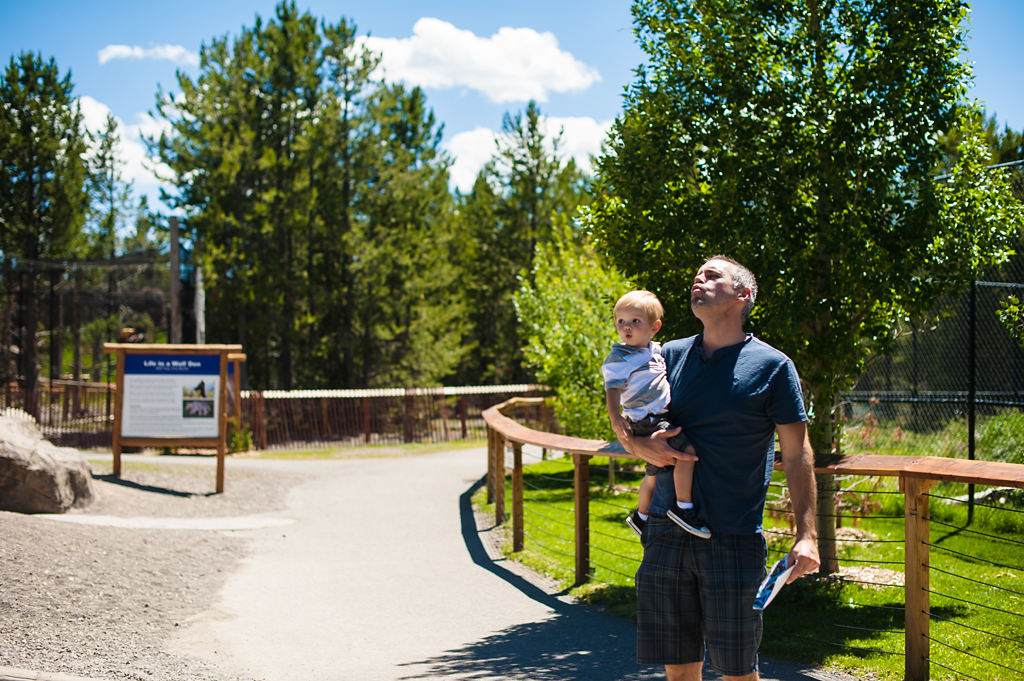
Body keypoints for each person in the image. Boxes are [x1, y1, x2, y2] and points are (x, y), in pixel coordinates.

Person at [617, 256, 820, 681]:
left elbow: (798, 453)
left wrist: (808, 535)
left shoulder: (772, 366)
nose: (699, 279)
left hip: (733, 537)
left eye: (713, 276)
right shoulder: (665, 356)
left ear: (742, 295)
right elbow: (628, 416)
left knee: (737, 672)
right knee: (678, 672)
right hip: (665, 533)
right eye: (697, 274)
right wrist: (638, 444)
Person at [602, 290, 710, 540]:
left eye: (635, 321)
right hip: (647, 420)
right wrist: (614, 416)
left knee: (653, 473)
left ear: (655, 327)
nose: (626, 327)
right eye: (621, 321)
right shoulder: (620, 357)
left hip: (653, 418)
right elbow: (612, 388)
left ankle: (641, 517)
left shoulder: (653, 351)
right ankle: (684, 509)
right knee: (687, 454)